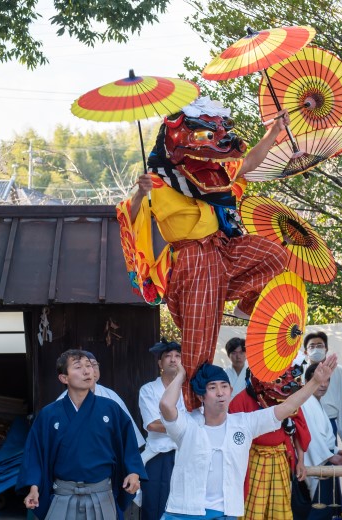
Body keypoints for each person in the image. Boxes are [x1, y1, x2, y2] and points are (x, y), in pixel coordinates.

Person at [117, 97, 290, 409]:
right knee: (199, 351)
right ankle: (194, 414)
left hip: (221, 249)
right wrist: (141, 193)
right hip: (191, 264)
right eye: (207, 135)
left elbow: (248, 163)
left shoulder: (212, 175)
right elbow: (131, 217)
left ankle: (244, 306)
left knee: (276, 256)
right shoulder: (157, 181)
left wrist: (275, 130)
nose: (215, 141)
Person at [158, 354, 338, 519]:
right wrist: (182, 374)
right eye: (212, 388)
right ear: (201, 395)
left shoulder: (243, 423)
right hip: (185, 511)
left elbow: (286, 407)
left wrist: (315, 381)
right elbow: (166, 405)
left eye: (224, 386)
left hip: (225, 512)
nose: (220, 393)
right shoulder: (188, 425)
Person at [16, 349, 146, 520]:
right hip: (63, 495)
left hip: (102, 495)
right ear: (64, 378)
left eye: (89, 366)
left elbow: (129, 446)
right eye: (78, 367)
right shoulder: (49, 414)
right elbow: (34, 454)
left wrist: (134, 473)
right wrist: (34, 487)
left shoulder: (111, 409)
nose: (87, 371)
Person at [229, 365, 310, 520]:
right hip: (252, 460)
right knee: (252, 509)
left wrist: (301, 461)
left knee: (280, 509)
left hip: (280, 457)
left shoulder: (286, 396)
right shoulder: (242, 400)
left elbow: (299, 428)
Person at [57, 350, 145, 448]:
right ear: (64, 378)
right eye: (78, 367)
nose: (89, 371)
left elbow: (129, 436)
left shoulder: (112, 397)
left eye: (92, 365)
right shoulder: (60, 404)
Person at [139, 338, 186, 520]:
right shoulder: (148, 389)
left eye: (177, 356)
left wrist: (175, 425)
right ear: (160, 363)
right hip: (159, 456)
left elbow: (199, 420)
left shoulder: (188, 390)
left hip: (185, 453)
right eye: (168, 356)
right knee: (155, 507)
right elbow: (152, 424)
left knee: (184, 506)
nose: (173, 359)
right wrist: (183, 426)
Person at [300, 363, 342, 520]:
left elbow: (324, 436)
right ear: (308, 380)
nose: (323, 385)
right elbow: (310, 437)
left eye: (327, 380)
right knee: (318, 507)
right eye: (319, 380)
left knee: (326, 506)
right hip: (317, 462)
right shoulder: (305, 402)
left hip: (324, 460)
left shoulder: (315, 402)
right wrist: (330, 456)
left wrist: (335, 451)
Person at [304, 332, 342, 444]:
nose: (316, 349)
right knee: (310, 457)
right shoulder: (300, 372)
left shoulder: (339, 371)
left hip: (330, 421)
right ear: (306, 352)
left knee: (331, 454)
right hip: (308, 423)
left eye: (320, 345)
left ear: (326, 349)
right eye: (312, 346)